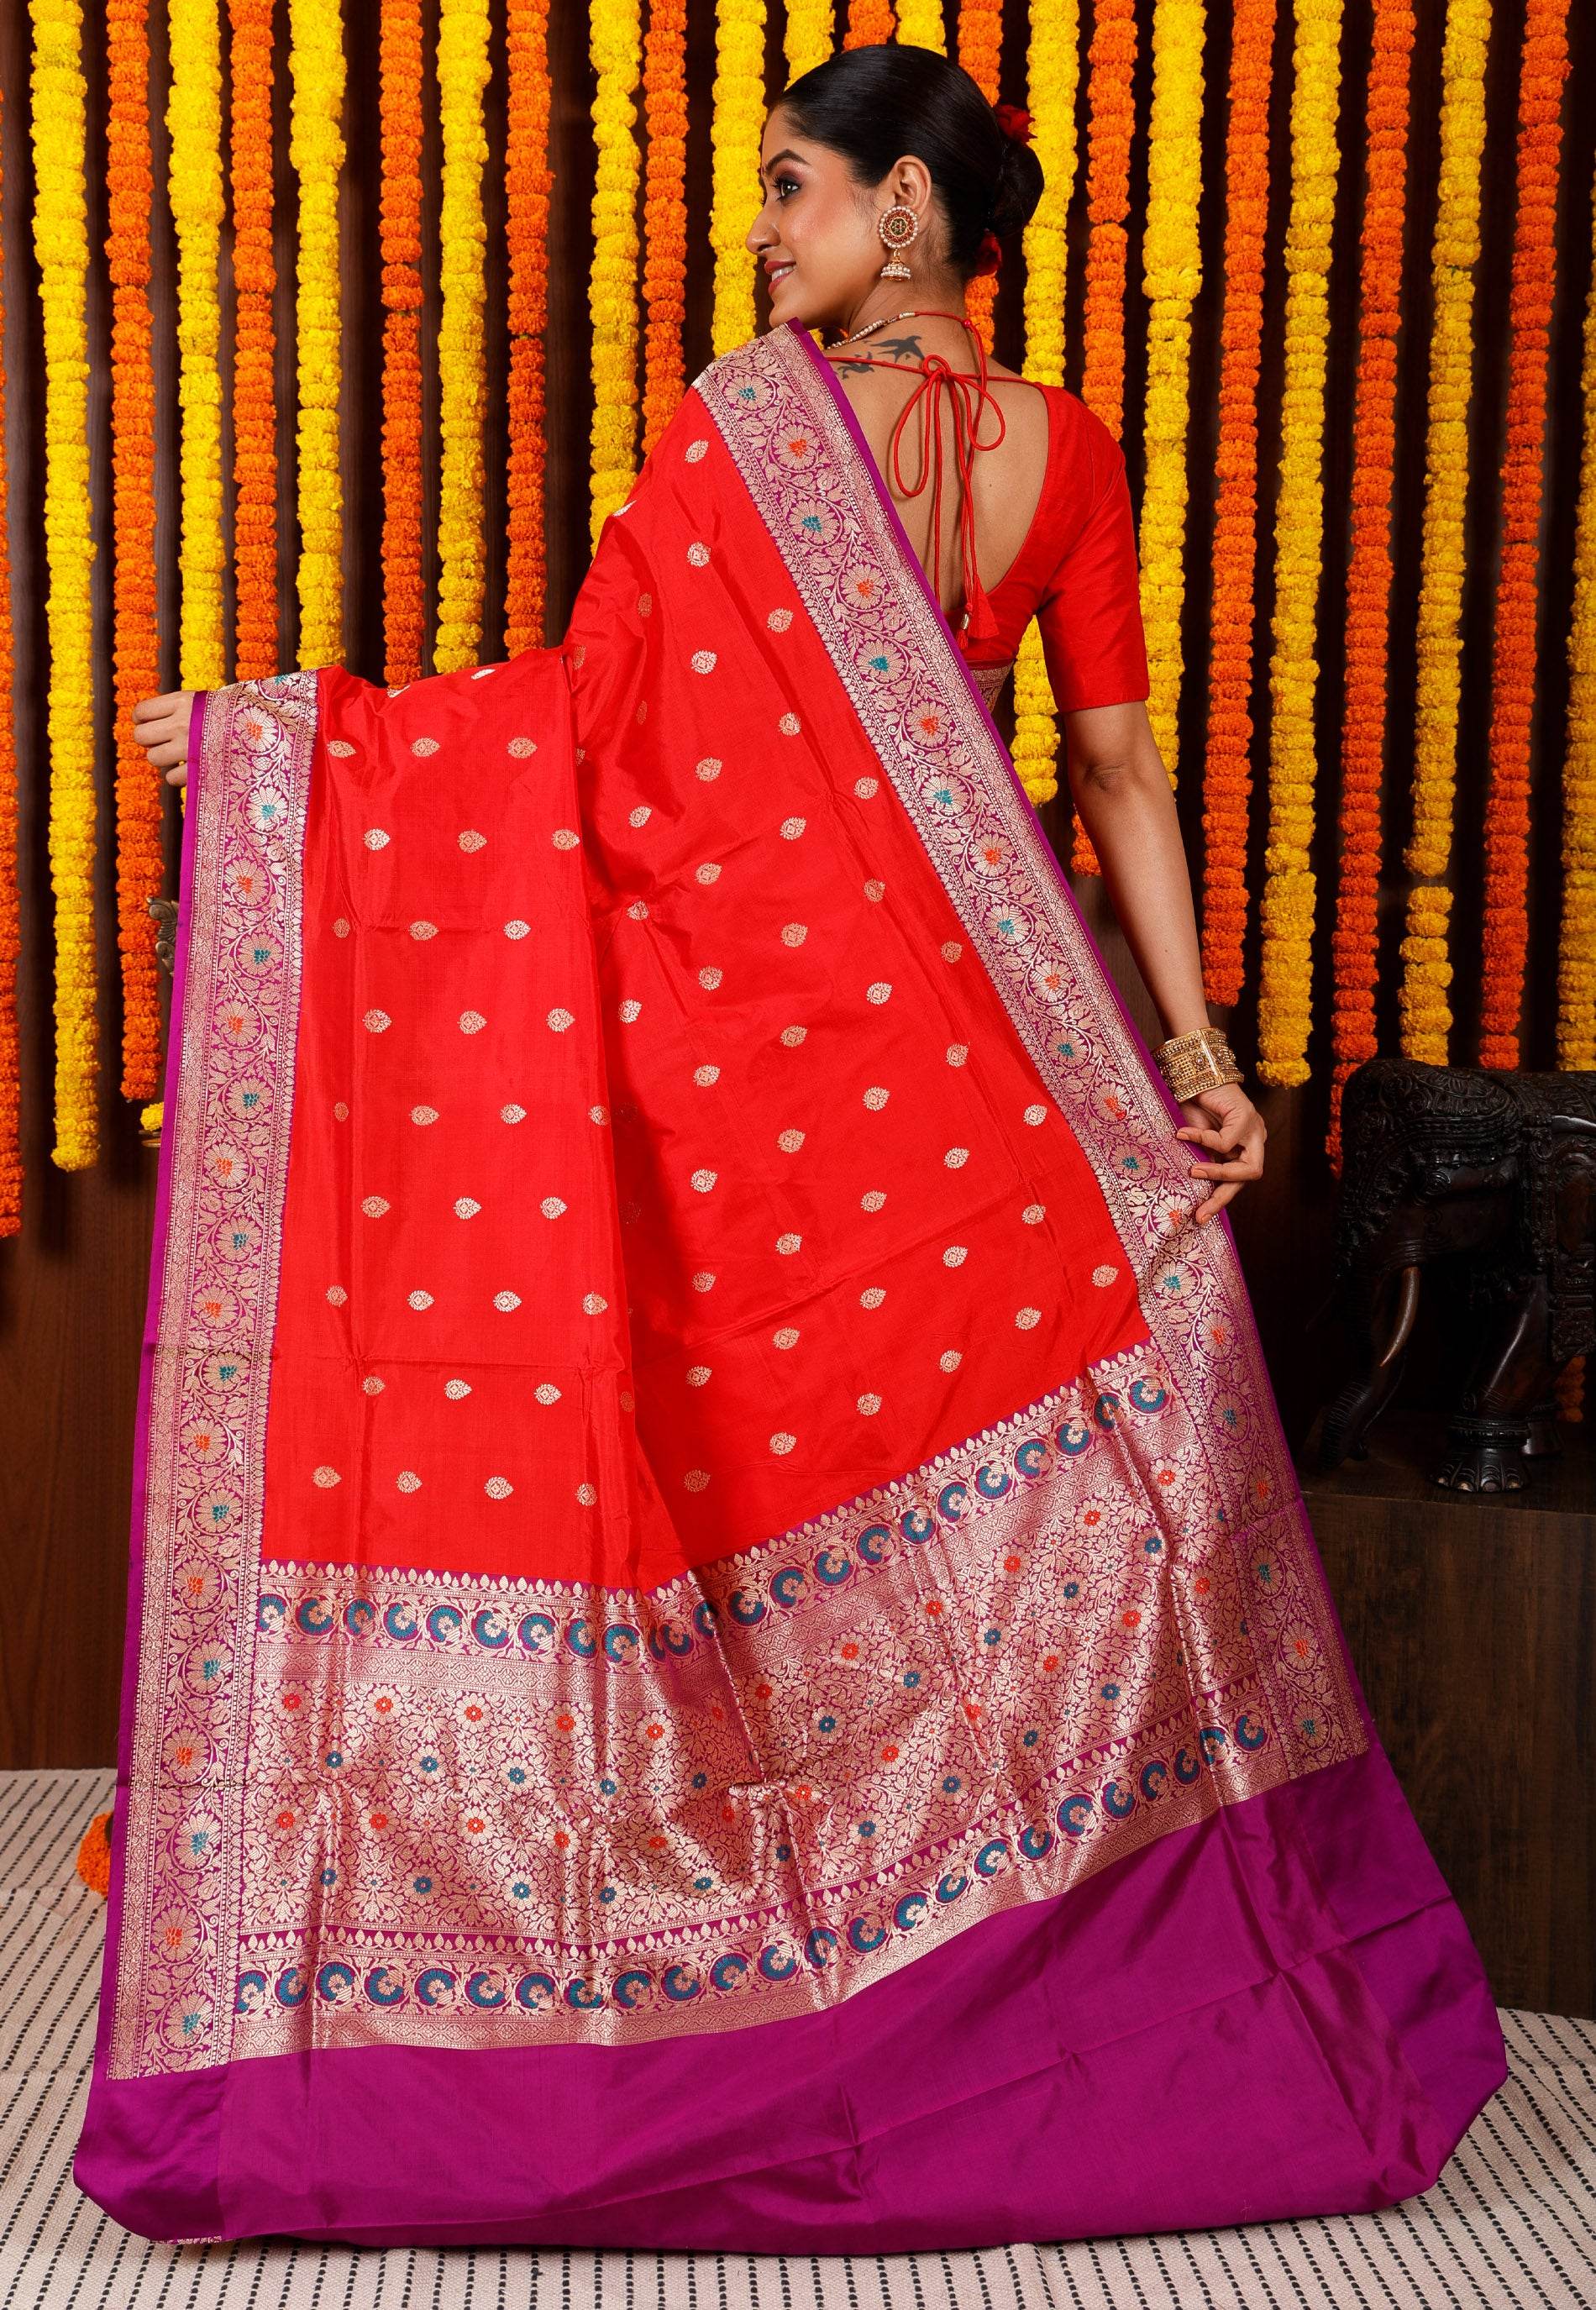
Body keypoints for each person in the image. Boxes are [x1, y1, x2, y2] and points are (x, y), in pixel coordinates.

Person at [87, 40, 1504, 2255]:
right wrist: (1186, 1049)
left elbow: (588, 732)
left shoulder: (750, 423)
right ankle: (1022, 1999)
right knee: (1053, 1523)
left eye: (794, 187)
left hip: (755, 1075)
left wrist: (305, 751)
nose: (762, 229)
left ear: (910, 217)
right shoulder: (1064, 457)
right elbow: (1116, 777)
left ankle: (711, 1997)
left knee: (733, 1479)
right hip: (977, 1077)